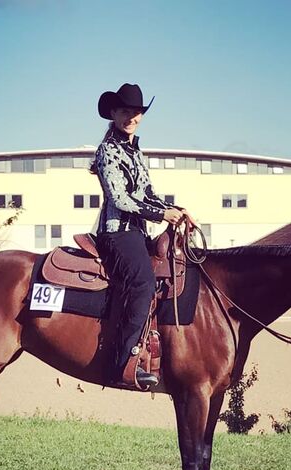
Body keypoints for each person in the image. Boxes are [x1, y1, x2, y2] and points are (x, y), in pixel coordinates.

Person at [93, 83, 194, 388]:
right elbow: (120, 199)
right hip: (117, 233)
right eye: (125, 111)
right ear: (113, 113)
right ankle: (123, 365)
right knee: (142, 283)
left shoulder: (136, 151)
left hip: (137, 231)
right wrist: (162, 214)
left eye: (136, 112)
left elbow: (147, 193)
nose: (131, 117)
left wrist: (175, 209)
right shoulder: (107, 150)